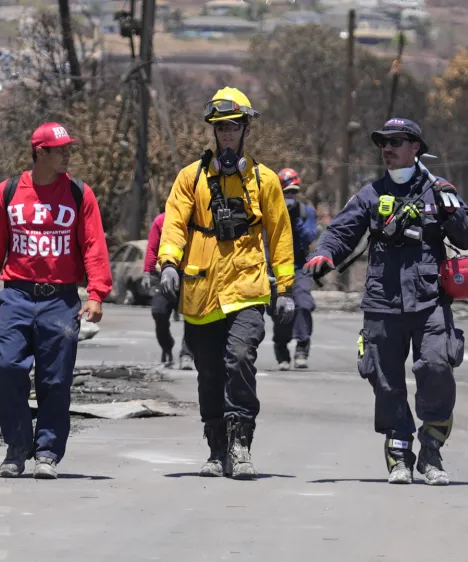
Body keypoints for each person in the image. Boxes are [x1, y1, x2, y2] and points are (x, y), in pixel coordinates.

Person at [303, 118, 468, 486]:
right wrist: (325, 253)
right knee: (385, 380)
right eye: (383, 142)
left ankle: (431, 447)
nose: (387, 148)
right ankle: (398, 453)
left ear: (416, 147)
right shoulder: (370, 193)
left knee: (436, 365)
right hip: (382, 302)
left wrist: (451, 208)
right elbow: (341, 230)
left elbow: (465, 237)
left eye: (396, 141)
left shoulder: (438, 190)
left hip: (430, 300)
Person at [157, 87, 296, 480]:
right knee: (210, 374)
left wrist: (285, 289)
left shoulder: (264, 181)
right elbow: (174, 222)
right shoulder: (191, 178)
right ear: (213, 132)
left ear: (245, 129)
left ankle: (241, 444)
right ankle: (217, 448)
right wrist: (168, 263)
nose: (228, 134)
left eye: (234, 127)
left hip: (247, 290)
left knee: (239, 359)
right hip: (201, 294)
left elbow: (280, 235)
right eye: (221, 128)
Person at [0, 122, 112, 480]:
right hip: (15, 295)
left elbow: (93, 245)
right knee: (8, 366)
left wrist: (96, 293)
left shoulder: (79, 193)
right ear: (39, 152)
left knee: (55, 380)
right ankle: (17, 447)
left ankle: (47, 451)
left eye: (68, 149)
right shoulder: (8, 192)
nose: (66, 155)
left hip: (60, 300)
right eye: (59, 150)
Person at [269, 168, 318, 370]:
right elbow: (262, 241)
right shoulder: (268, 211)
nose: (290, 195)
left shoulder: (307, 212)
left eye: (293, 192)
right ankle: (281, 349)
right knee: (279, 310)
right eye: (286, 191)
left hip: (299, 267)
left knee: (303, 304)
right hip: (274, 270)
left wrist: (295, 220)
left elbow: (309, 237)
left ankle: (302, 348)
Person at [142, 210, 194, 369]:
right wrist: (147, 272)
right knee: (159, 312)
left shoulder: (196, 219)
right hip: (163, 274)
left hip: (189, 275)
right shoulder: (160, 221)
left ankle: (187, 354)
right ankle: (167, 345)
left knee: (192, 317)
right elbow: (152, 247)